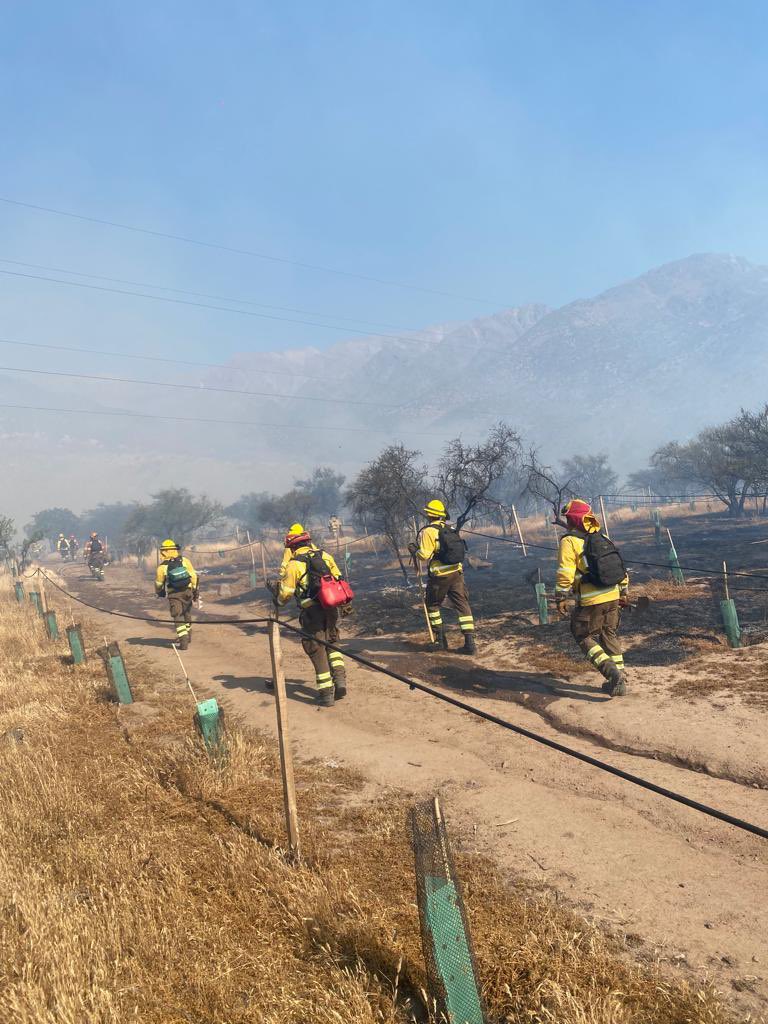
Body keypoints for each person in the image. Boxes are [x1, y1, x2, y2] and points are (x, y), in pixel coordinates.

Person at [554, 500, 629, 697]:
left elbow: (565, 572)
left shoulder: (569, 541)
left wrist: (560, 596)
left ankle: (612, 674)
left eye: (567, 519)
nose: (567, 522)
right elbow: (618, 565)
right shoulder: (601, 537)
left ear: (572, 520)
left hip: (591, 600)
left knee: (581, 634)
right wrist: (623, 591)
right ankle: (620, 678)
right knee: (609, 634)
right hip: (613, 594)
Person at [268, 524, 349, 707]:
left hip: (312, 613)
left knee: (316, 650)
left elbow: (285, 594)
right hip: (331, 608)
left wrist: (277, 598)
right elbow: (339, 578)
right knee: (333, 643)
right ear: (308, 542)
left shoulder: (294, 565)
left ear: (293, 547)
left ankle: (326, 694)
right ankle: (341, 681)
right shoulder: (325, 556)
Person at [409, 499, 476, 654]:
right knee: (462, 605)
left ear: (429, 515)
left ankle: (440, 640)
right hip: (457, 572)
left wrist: (414, 550)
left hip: (440, 576)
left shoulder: (428, 531)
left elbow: (424, 555)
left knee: (432, 605)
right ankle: (470, 643)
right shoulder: (449, 528)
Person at [155, 539, 199, 650]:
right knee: (186, 612)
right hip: (187, 592)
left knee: (177, 615)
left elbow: (159, 583)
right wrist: (194, 589)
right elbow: (194, 576)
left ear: (164, 552)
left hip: (174, 595)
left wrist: (159, 592)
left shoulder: (162, 567)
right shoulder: (185, 561)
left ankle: (183, 639)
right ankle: (188, 634)